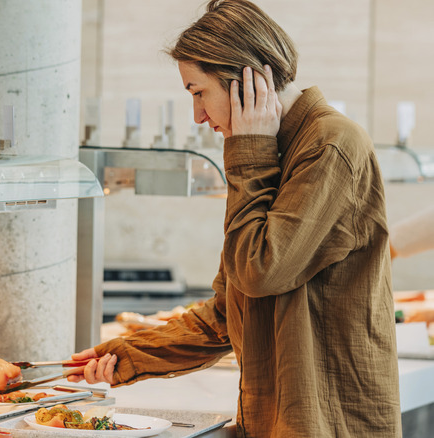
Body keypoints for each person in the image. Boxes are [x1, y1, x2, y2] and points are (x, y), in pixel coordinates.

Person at [68, 1, 402, 436]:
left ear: (247, 80)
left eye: (198, 92)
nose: (199, 116)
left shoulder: (329, 145)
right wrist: (127, 355)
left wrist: (248, 152)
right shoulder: (270, 150)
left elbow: (262, 269)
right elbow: (229, 311)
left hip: (328, 423)